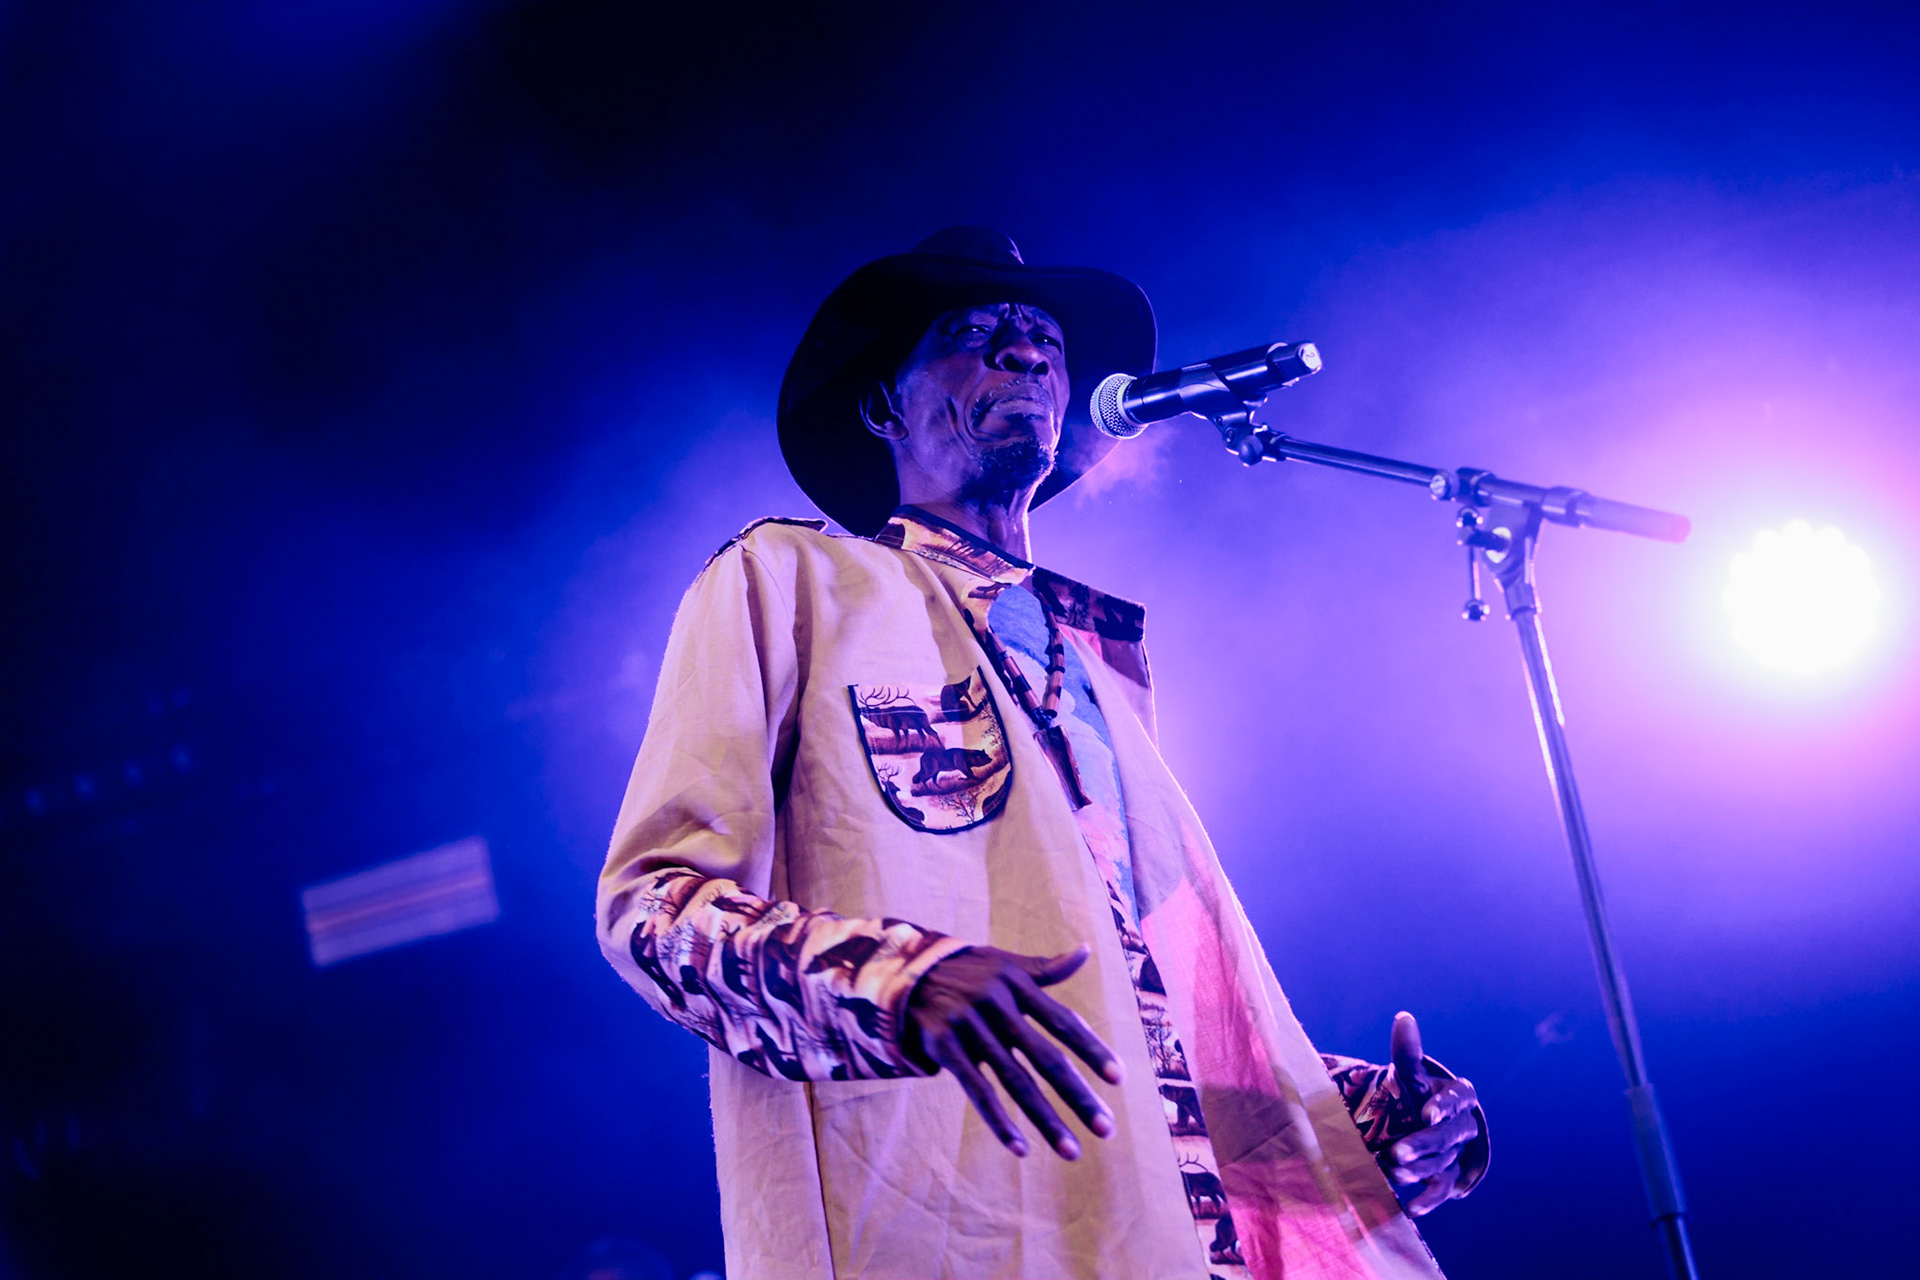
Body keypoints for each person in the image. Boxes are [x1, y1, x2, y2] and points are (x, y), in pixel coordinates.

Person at [597, 228, 1488, 1280]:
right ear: (884, 406)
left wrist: (1379, 1117)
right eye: (974, 334)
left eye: (1045, 342)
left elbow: (1143, 1029)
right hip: (949, 1227)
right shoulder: (788, 581)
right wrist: (894, 979)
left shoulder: (1099, 669)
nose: (1025, 353)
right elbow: (652, 904)